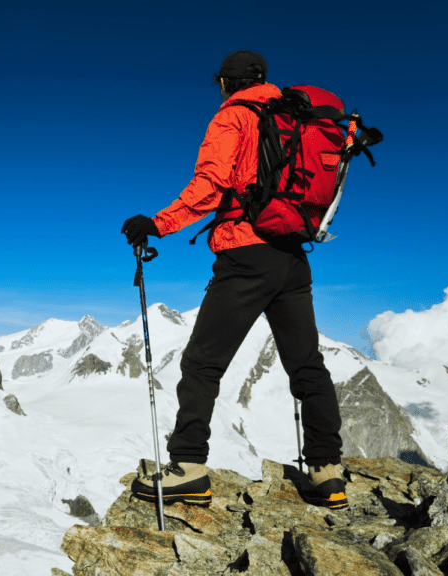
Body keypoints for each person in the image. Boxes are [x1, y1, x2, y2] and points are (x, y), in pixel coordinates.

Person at [120, 50, 347, 510]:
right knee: (305, 365)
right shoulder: (293, 117)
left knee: (202, 363)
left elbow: (210, 184)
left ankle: (188, 469)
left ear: (225, 82)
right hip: (293, 255)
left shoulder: (235, 116)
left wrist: (158, 224)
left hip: (246, 252)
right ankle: (328, 474)